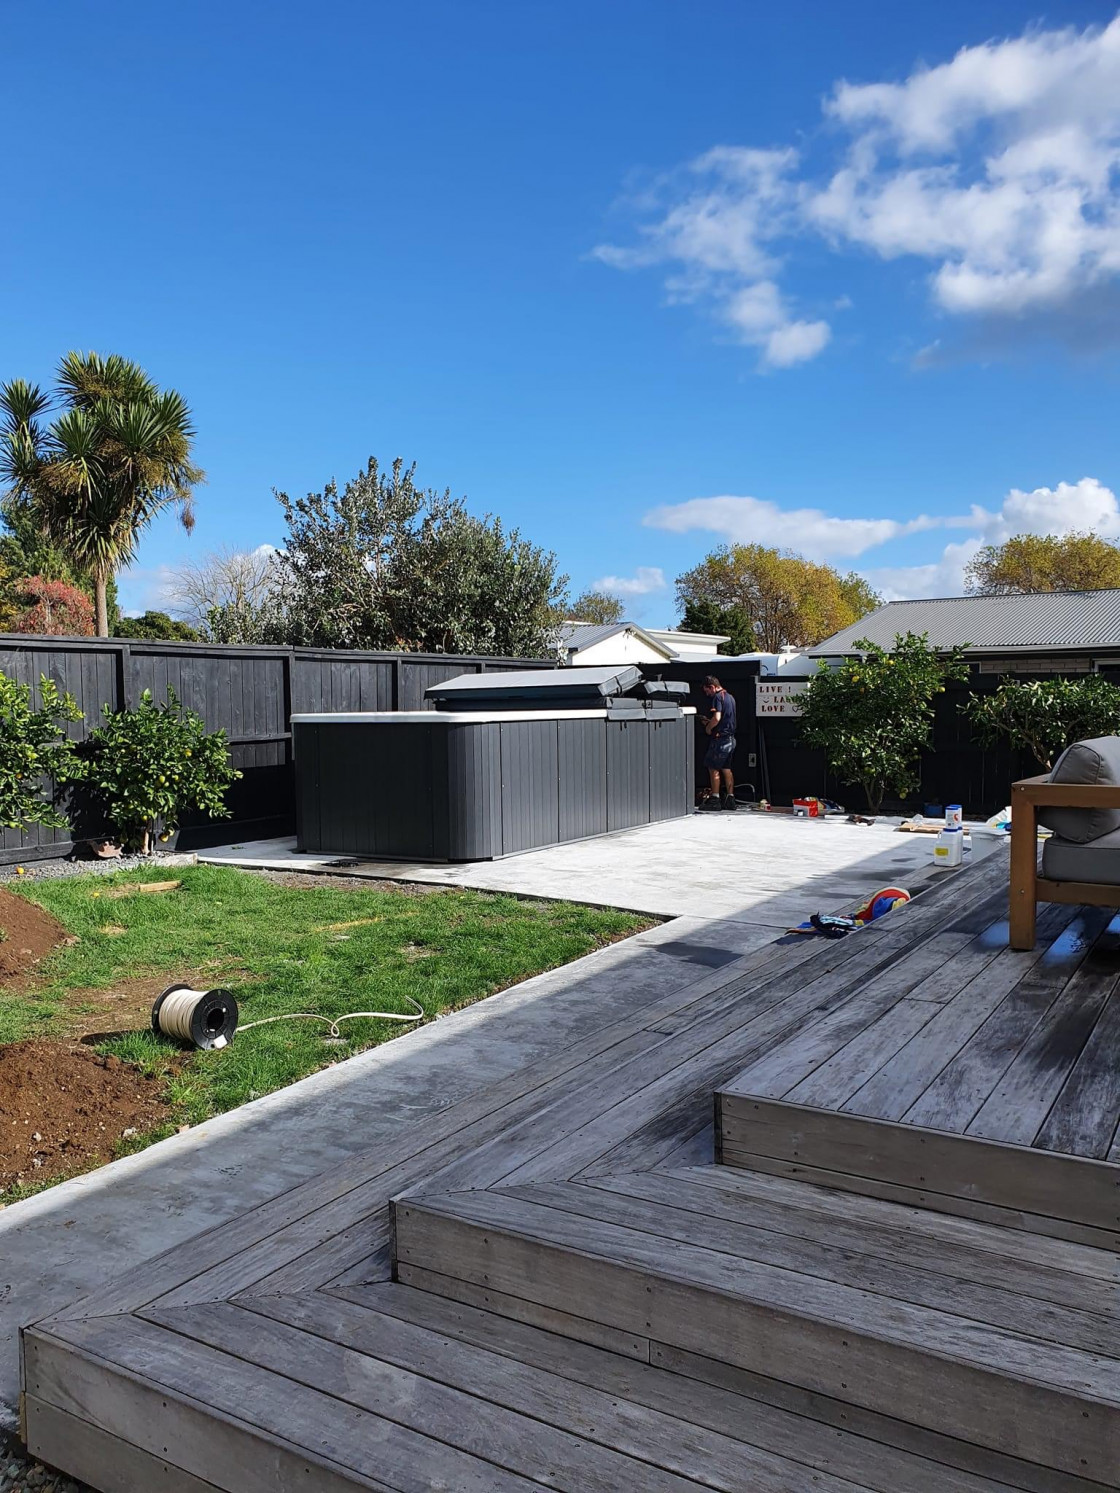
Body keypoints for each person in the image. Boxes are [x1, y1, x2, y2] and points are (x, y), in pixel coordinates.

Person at [700, 675, 738, 810]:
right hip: (731, 738)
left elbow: (717, 717)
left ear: (712, 687)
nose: (707, 694)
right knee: (726, 768)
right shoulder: (730, 697)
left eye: (707, 691)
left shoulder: (717, 697)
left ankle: (715, 799)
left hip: (720, 738)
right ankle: (730, 798)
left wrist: (708, 727)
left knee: (713, 767)